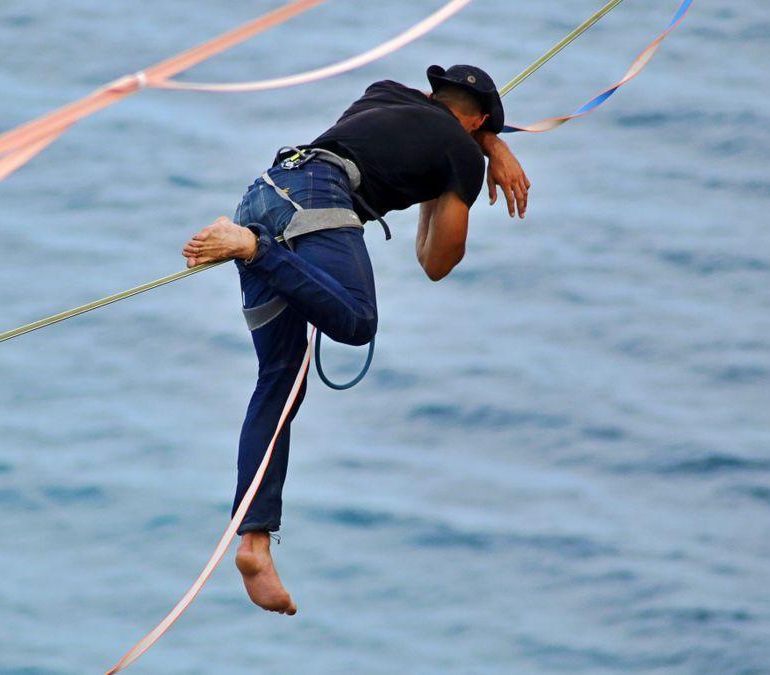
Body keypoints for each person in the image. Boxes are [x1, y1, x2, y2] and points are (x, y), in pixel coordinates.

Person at [181, 65, 531, 615]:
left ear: (436, 94)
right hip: (312, 204)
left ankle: (254, 544)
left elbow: (429, 119)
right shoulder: (460, 155)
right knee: (357, 321)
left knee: (280, 384)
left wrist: (486, 147)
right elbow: (436, 263)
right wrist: (467, 169)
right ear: (481, 120)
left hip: (266, 191)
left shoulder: (384, 92)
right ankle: (251, 248)